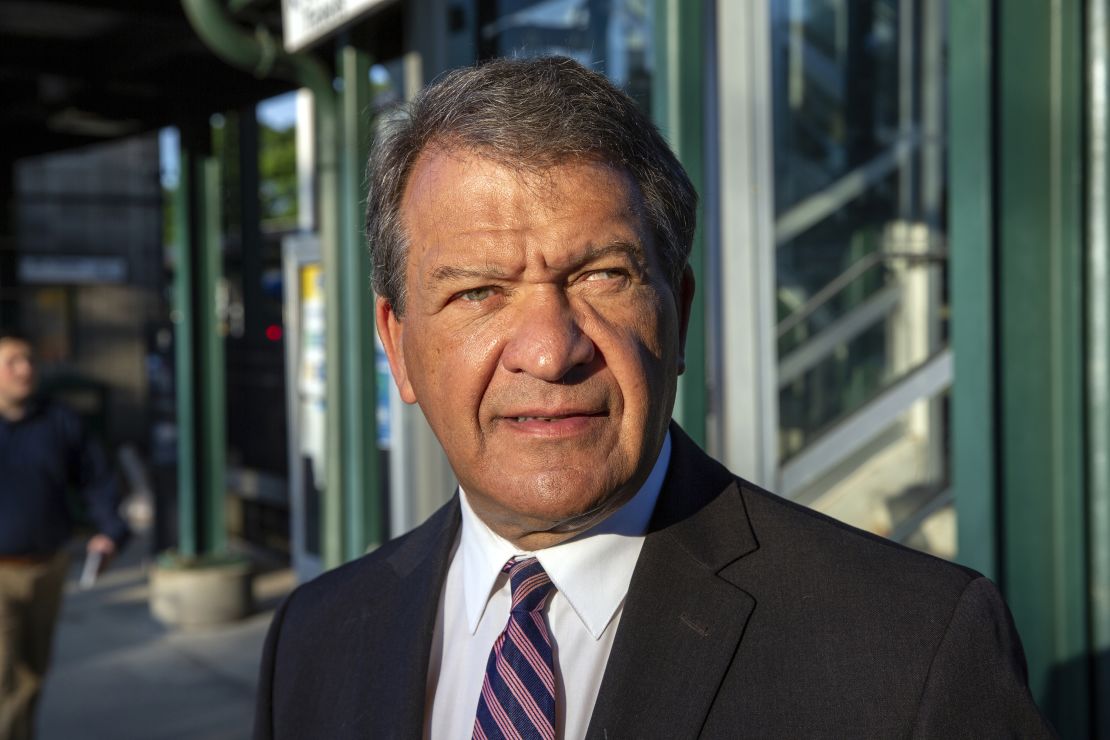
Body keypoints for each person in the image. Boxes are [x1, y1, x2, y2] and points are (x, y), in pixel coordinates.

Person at [253, 57, 1054, 739]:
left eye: (603, 276)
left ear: (680, 312)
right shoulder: (313, 643)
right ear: (397, 346)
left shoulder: (912, 652)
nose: (549, 349)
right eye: (479, 292)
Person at [0, 329, 128, 740]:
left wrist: (109, 531)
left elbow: (97, 480)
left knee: (33, 674)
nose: (25, 369)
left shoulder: (60, 421)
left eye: (29, 360)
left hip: (48, 567)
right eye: (12, 362)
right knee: (4, 680)